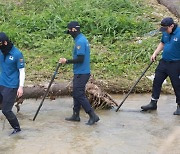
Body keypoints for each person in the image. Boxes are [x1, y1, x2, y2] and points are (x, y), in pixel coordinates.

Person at [59, 21, 100, 125]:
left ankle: (92, 115)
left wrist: (66, 61)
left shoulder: (80, 41)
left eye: (69, 31)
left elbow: (80, 59)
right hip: (80, 72)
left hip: (82, 72)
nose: (70, 34)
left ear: (73, 30)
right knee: (75, 93)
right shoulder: (81, 39)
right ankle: (76, 115)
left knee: (79, 93)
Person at [141, 17, 180, 115]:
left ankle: (179, 106)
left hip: (176, 64)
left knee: (177, 85)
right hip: (164, 62)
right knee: (157, 81)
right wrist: (155, 53)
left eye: (166, 29)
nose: (165, 31)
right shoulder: (165, 32)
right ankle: (153, 103)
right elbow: (162, 42)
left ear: (172, 26)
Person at [0, 32, 25, 134]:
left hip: (12, 86)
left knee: (6, 110)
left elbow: (22, 71)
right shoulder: (1, 51)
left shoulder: (17, 54)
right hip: (2, 82)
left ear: (5, 43)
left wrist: (21, 87)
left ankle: (17, 129)